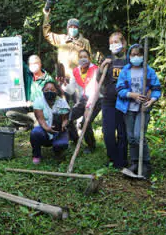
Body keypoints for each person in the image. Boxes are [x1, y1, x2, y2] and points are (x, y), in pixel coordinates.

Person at [115, 44, 161, 178]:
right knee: (131, 137)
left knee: (138, 135)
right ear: (129, 56)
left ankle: (145, 163)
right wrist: (132, 95)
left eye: (139, 55)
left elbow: (156, 88)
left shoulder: (149, 71)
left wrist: (151, 100)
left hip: (143, 108)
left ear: (144, 56)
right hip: (128, 108)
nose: (136, 57)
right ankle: (135, 161)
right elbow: (119, 89)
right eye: (133, 55)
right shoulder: (125, 71)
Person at [42, 6, 92, 94]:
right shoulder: (61, 39)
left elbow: (89, 61)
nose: (73, 29)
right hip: (63, 79)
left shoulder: (85, 42)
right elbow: (47, 34)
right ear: (67, 28)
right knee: (64, 103)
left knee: (79, 104)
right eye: (71, 27)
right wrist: (46, 16)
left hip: (79, 79)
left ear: (78, 29)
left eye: (75, 27)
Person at [97, 32, 128, 168]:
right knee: (108, 132)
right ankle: (112, 157)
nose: (114, 45)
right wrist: (101, 68)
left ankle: (121, 161)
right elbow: (99, 80)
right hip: (108, 101)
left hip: (125, 100)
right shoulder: (107, 60)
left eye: (117, 41)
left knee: (123, 132)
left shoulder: (129, 61)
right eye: (111, 43)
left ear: (124, 43)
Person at [6, 55, 55, 130]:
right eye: (31, 64)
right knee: (10, 113)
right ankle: (29, 123)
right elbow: (17, 59)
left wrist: (33, 103)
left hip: (42, 111)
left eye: (36, 63)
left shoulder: (48, 80)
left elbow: (50, 102)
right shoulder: (28, 74)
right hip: (26, 110)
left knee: (39, 126)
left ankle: (32, 123)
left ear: (40, 64)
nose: (33, 65)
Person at [64, 49, 100, 152]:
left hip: (96, 99)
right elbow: (71, 90)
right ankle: (75, 139)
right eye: (80, 57)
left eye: (85, 57)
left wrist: (88, 108)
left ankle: (91, 145)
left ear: (89, 58)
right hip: (83, 99)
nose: (83, 59)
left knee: (85, 122)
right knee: (69, 117)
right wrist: (64, 84)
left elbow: (94, 90)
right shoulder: (76, 71)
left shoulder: (95, 70)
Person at [30, 81, 70, 164]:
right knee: (35, 133)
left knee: (61, 144)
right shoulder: (38, 101)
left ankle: (58, 152)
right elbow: (40, 119)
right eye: (46, 90)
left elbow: (65, 119)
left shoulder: (62, 102)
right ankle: (36, 155)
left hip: (58, 131)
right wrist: (47, 128)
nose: (49, 92)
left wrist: (64, 124)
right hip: (44, 130)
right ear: (43, 91)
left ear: (57, 91)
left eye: (52, 89)